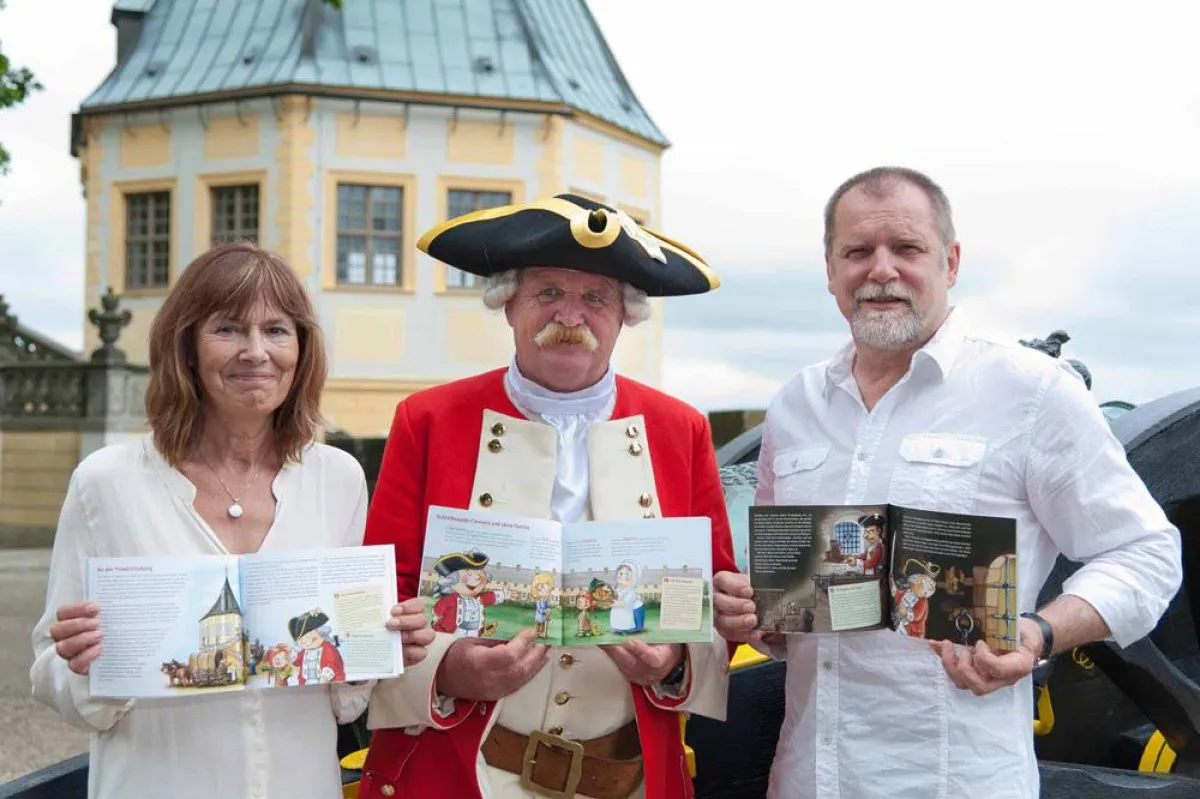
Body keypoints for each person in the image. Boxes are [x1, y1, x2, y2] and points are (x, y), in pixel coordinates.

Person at [712, 167, 1182, 798]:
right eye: (856, 252)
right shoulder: (797, 405)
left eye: (906, 248)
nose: (881, 270)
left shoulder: (1031, 393)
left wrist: (1037, 633)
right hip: (809, 778)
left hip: (953, 780)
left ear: (950, 261)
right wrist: (758, 616)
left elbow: (1146, 553)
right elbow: (792, 607)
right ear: (829, 270)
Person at [356, 194, 738, 799]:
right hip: (466, 772)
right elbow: (376, 599)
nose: (571, 315)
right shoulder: (427, 419)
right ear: (508, 303)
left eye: (595, 298)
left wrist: (673, 661)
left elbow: (718, 597)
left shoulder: (680, 428)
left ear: (625, 315)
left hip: (628, 779)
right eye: (548, 293)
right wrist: (452, 669)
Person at [29, 243, 434, 799]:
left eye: (276, 329)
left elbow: (344, 700)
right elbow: (48, 670)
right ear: (187, 348)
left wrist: (378, 646)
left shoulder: (336, 478)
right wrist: (82, 666)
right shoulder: (107, 483)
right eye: (227, 328)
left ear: (301, 348)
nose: (256, 352)